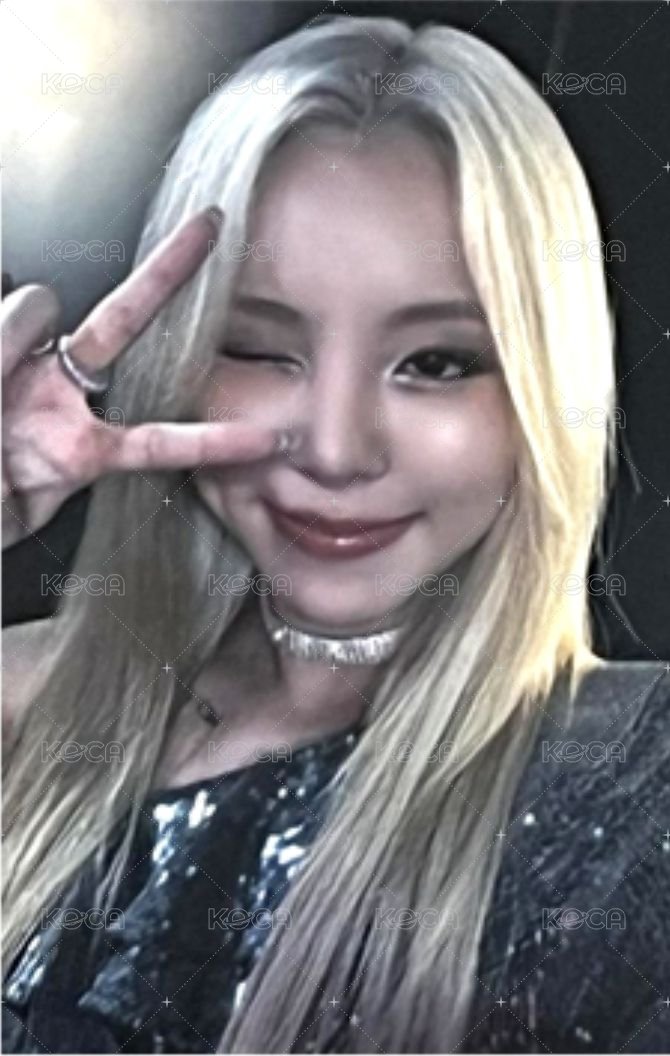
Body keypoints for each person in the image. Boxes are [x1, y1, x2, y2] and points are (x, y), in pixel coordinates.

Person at [2, 14, 668, 1055]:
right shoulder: (25, 712)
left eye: (436, 364)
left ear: (546, 388)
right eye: (259, 349)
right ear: (176, 357)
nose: (335, 450)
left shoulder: (636, 783)